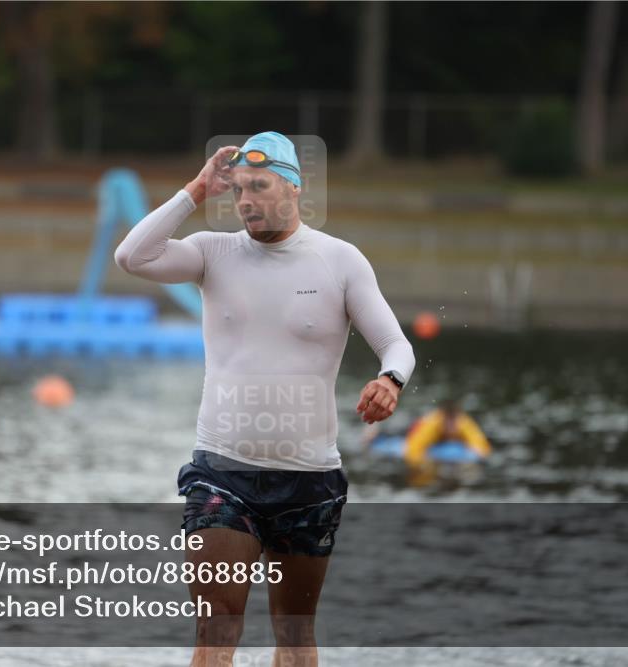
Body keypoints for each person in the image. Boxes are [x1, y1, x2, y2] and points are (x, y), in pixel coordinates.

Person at [115, 131, 415, 666]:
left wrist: (389, 381)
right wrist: (196, 190)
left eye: (259, 185)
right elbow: (132, 256)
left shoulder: (340, 261)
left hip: (309, 478)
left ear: (295, 188)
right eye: (239, 191)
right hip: (222, 475)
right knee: (216, 630)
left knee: (295, 636)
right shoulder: (212, 253)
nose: (246, 200)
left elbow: (396, 345)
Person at [401, 399, 491, 467]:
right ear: (442, 419)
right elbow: (412, 451)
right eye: (448, 422)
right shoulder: (432, 425)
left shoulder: (464, 423)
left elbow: (482, 448)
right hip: (418, 433)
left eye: (453, 422)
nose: (451, 427)